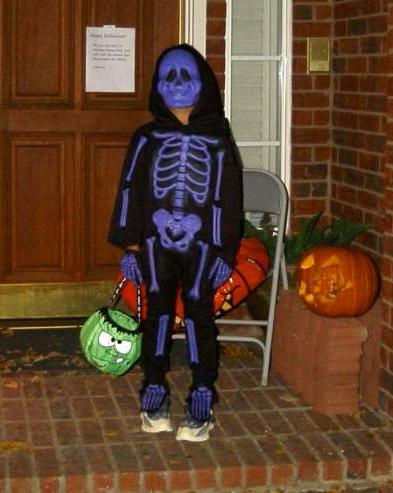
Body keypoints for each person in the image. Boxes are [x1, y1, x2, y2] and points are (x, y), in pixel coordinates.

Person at [108, 44, 243, 442]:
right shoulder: (146, 138)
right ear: (157, 87)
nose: (178, 84)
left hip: (203, 245)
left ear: (204, 84)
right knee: (158, 315)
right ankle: (153, 388)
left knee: (200, 316)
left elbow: (230, 196)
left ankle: (203, 391)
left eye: (187, 75)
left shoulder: (218, 138)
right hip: (155, 242)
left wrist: (225, 250)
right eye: (169, 77)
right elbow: (129, 190)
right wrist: (129, 245)